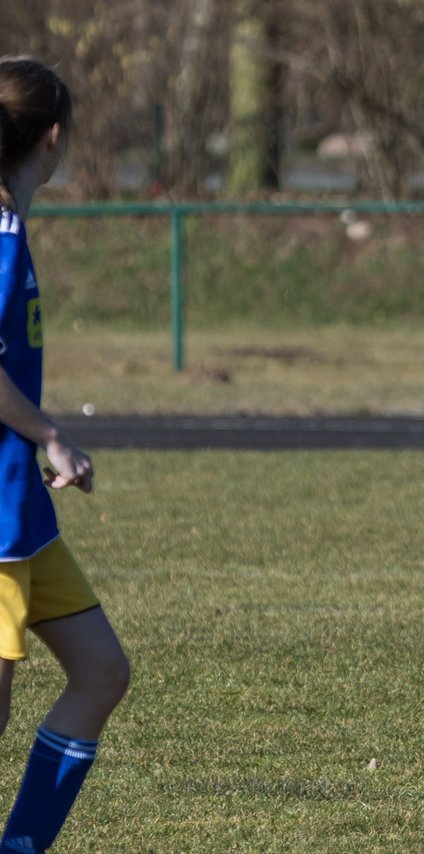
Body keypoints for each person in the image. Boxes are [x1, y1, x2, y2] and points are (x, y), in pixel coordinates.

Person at [0, 57, 131, 852]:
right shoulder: (1, 240)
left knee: (101, 672)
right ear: (53, 140)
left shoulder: (12, 228)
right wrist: (52, 434)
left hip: (25, 521)